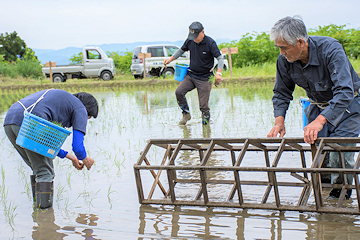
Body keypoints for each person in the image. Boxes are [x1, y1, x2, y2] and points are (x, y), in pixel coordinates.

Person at [267, 15, 360, 199]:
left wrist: (320, 121)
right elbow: (281, 92)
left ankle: (342, 200)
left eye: (284, 47)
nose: (281, 52)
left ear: (300, 42)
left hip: (348, 106)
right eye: (278, 48)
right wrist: (279, 121)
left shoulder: (330, 50)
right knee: (320, 158)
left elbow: (344, 91)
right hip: (318, 107)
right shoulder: (284, 61)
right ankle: (323, 197)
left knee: (338, 153)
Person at [3, 89, 98, 209]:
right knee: (45, 172)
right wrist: (84, 158)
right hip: (29, 122)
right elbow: (78, 147)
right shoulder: (80, 108)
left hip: (10, 122)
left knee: (38, 169)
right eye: (88, 117)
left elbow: (46, 145)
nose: (84, 119)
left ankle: (37, 213)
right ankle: (45, 218)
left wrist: (70, 157)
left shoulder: (61, 102)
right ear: (87, 110)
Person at [163, 21, 224, 125]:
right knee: (179, 92)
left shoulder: (210, 43)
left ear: (202, 32)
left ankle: (206, 129)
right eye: (192, 36)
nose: (194, 39)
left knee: (203, 106)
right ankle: (186, 114)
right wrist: (170, 59)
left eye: (196, 36)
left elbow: (219, 58)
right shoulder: (190, 40)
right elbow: (181, 50)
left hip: (205, 78)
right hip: (191, 75)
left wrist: (219, 73)